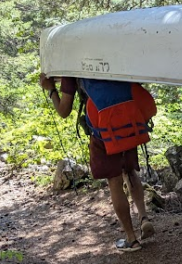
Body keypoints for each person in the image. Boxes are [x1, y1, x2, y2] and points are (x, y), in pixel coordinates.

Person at [40, 72, 154, 252]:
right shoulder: (110, 53)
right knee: (130, 172)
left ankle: (132, 240)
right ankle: (144, 217)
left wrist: (51, 89)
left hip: (104, 133)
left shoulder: (72, 68)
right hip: (128, 124)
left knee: (115, 181)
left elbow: (64, 111)